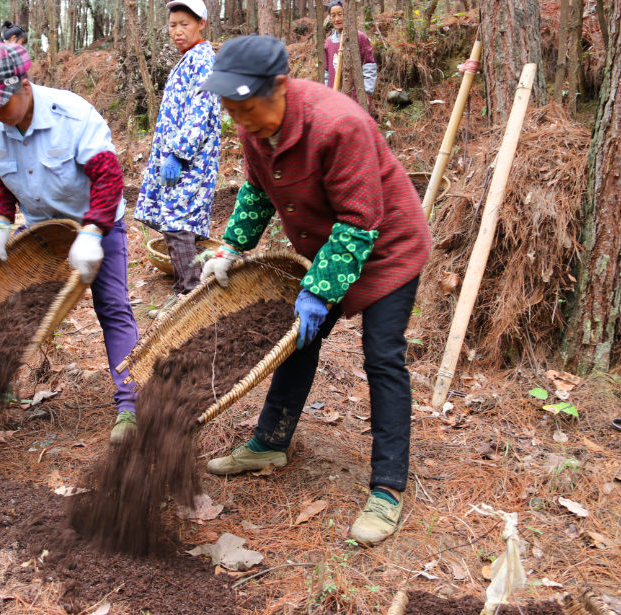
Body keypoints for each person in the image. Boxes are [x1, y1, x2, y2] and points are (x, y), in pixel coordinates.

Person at [198, 36, 431, 545]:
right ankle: (269, 442)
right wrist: (230, 249)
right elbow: (258, 190)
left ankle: (387, 488)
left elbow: (360, 221)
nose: (241, 121)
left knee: (382, 357)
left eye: (247, 107)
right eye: (231, 111)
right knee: (297, 339)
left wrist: (320, 291)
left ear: (279, 86)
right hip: (329, 247)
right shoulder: (253, 126)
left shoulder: (337, 124)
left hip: (386, 246)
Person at [0, 42, 141, 444]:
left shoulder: (73, 116)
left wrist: (93, 233)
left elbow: (108, 179)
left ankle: (130, 404)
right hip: (43, 232)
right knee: (11, 307)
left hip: (98, 222)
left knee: (112, 307)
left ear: (23, 86)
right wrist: (2, 222)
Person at [133, 0, 221, 318]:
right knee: (177, 224)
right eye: (172, 25)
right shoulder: (188, 59)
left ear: (201, 24)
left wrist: (179, 154)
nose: (177, 31)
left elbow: (200, 112)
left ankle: (190, 297)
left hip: (190, 160)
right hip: (177, 157)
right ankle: (186, 293)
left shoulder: (204, 60)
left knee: (179, 223)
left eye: (184, 23)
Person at [324, 0, 377, 99]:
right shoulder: (328, 42)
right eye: (333, 15)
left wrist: (366, 90)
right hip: (334, 95)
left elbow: (368, 65)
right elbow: (326, 71)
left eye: (340, 14)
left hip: (356, 95)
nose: (337, 19)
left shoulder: (359, 37)